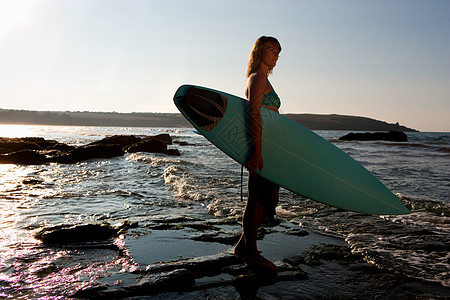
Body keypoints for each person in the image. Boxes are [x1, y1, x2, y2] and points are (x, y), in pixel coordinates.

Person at [234, 36, 282, 271]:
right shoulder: (256, 79)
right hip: (261, 148)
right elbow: (253, 113)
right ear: (260, 51)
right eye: (272, 50)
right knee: (257, 200)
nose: (276, 55)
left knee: (269, 199)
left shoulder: (264, 79)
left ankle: (244, 246)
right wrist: (256, 150)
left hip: (271, 148)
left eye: (278, 52)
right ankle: (251, 254)